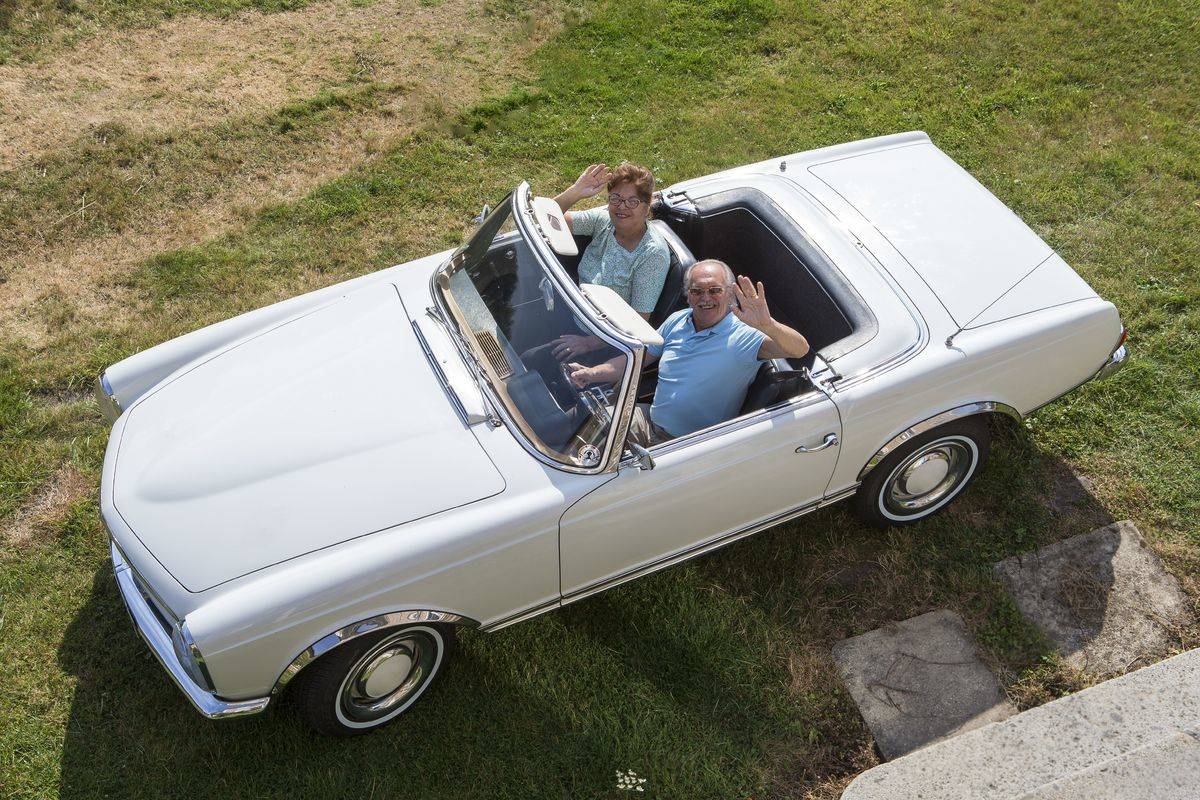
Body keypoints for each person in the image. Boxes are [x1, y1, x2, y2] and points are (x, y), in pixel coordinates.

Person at [565, 259, 810, 445]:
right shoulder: (677, 320)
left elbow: (799, 349)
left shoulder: (744, 335)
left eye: (714, 290)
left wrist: (769, 325)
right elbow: (636, 359)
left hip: (684, 446)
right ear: (688, 295)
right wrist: (591, 373)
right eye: (697, 291)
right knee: (586, 431)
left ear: (730, 293)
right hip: (648, 420)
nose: (705, 298)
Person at [549, 162, 672, 363]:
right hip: (571, 308)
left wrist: (587, 344)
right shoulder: (604, 220)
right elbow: (548, 218)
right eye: (616, 198)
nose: (622, 207)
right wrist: (576, 191)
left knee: (528, 359)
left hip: (601, 340)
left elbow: (638, 323)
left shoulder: (653, 255)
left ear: (647, 206)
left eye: (632, 201)